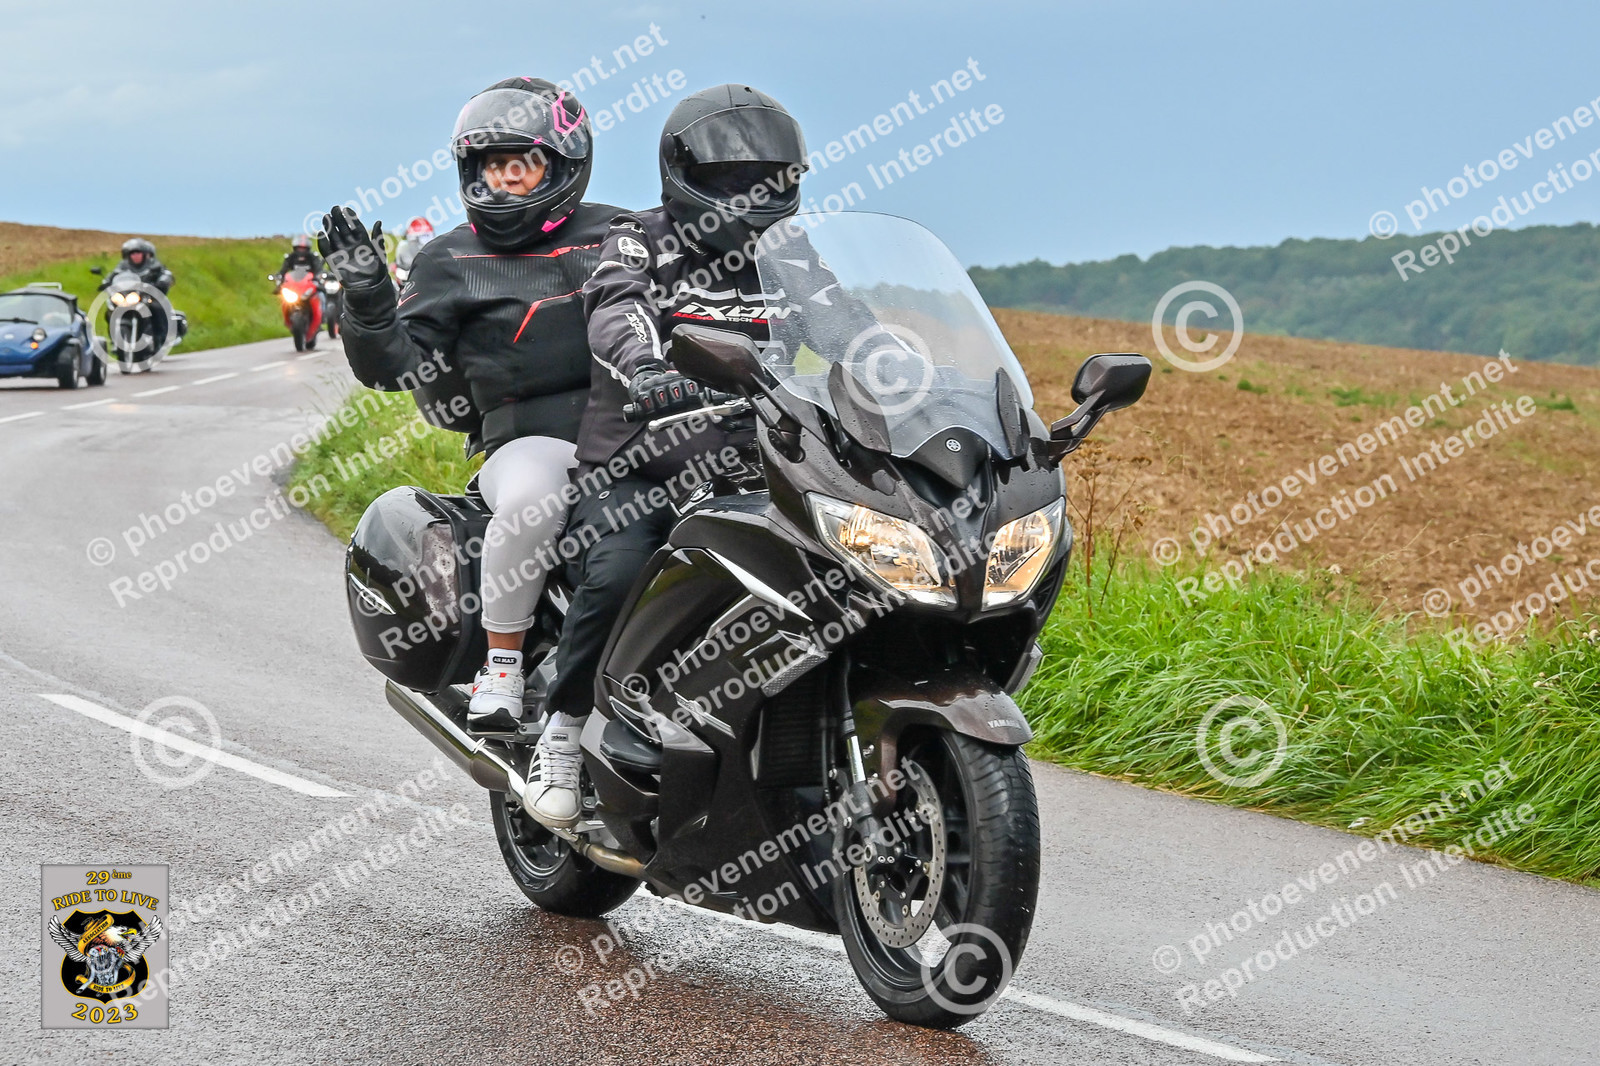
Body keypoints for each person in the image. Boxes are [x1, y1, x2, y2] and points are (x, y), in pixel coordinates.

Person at [523, 84, 809, 829]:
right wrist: (648, 369)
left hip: (759, 465)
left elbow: (851, 327)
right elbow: (617, 309)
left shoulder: (795, 257)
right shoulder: (637, 238)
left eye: (766, 180)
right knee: (621, 571)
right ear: (684, 175)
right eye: (730, 179)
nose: (749, 196)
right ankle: (562, 730)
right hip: (640, 464)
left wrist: (906, 374)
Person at [319, 77, 620, 732]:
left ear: (564, 165)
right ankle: (503, 666)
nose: (501, 181)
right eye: (489, 167)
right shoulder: (450, 258)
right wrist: (368, 302)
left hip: (646, 431)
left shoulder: (621, 233)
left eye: (520, 166)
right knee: (536, 497)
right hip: (533, 441)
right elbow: (394, 368)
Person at [103, 238, 173, 293]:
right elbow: (113, 275)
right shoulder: (123, 266)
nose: (135, 256)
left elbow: (166, 274)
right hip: (126, 296)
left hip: (150, 297)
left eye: (138, 253)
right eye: (132, 253)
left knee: (159, 306)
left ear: (145, 255)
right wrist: (107, 283)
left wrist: (163, 281)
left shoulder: (154, 266)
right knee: (113, 304)